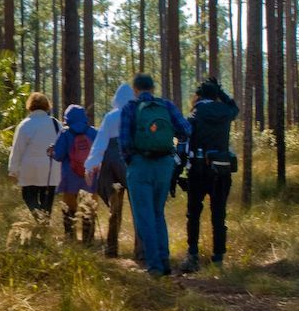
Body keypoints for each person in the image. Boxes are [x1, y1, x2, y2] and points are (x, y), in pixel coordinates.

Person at [117, 74, 191, 277]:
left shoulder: (130, 108)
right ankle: (164, 260)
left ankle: (155, 266)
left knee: (144, 216)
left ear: (135, 90)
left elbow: (123, 143)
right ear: (153, 88)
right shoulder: (166, 106)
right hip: (164, 165)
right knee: (158, 213)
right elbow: (186, 130)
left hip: (140, 165)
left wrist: (132, 161)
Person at [178, 78, 239, 272]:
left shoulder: (195, 113)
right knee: (219, 214)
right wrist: (222, 93)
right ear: (216, 96)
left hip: (198, 169)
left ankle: (193, 255)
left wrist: (177, 170)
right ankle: (219, 258)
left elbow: (185, 140)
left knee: (194, 213)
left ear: (200, 96)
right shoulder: (226, 112)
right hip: (221, 169)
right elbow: (234, 107)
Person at [85, 82, 137, 258]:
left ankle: (111, 248)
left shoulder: (110, 116)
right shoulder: (137, 114)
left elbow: (100, 144)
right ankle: (141, 251)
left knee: (114, 209)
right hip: (132, 162)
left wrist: (90, 166)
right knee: (138, 207)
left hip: (111, 164)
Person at [8, 92, 61, 218]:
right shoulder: (55, 123)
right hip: (50, 168)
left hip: (30, 169)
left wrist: (13, 170)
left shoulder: (25, 125)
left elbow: (17, 149)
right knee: (47, 201)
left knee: (28, 196)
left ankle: (39, 219)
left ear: (30, 105)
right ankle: (44, 222)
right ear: (47, 106)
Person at [51, 103, 98, 241]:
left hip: (70, 177)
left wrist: (52, 151)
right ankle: (88, 240)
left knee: (69, 208)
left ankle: (70, 237)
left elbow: (58, 155)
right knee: (89, 208)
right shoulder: (94, 132)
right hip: (89, 177)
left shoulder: (65, 133)